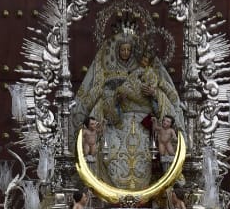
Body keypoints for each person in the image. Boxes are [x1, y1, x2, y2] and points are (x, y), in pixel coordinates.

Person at [73, 12, 184, 192]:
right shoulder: (107, 74)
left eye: (128, 50)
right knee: (110, 155)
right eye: (122, 50)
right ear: (116, 51)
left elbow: (168, 98)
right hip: (117, 128)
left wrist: (155, 94)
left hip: (144, 128)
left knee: (151, 156)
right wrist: (115, 99)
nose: (125, 53)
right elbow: (101, 104)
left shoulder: (149, 72)